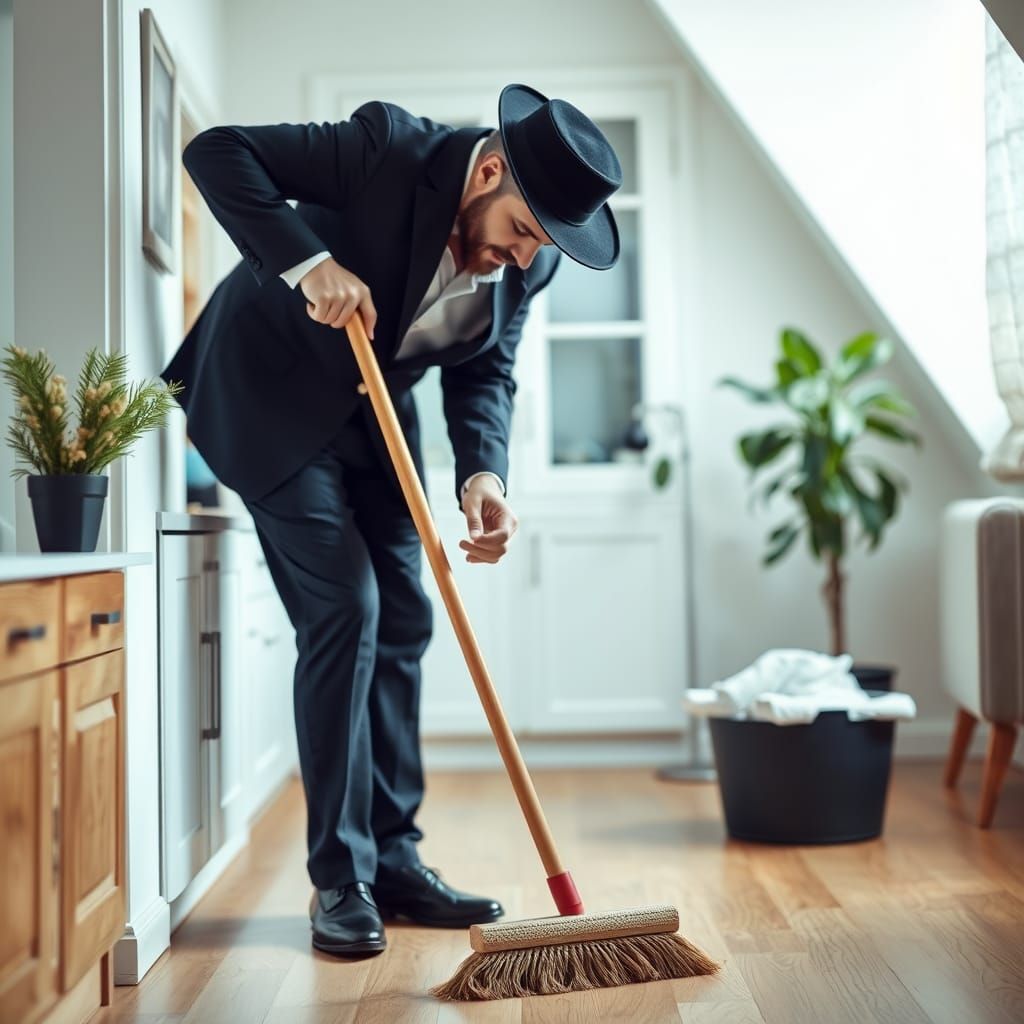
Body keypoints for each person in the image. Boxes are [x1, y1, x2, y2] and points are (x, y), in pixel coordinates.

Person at [162, 83, 622, 957]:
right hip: (263, 392)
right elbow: (217, 151)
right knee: (345, 607)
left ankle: (398, 859)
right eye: (523, 230)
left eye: (544, 245)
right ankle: (342, 878)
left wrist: (483, 475)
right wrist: (308, 262)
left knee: (406, 612)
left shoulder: (535, 259)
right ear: (488, 171)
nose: (525, 259)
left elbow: (486, 373)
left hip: (373, 417)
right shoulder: (385, 150)